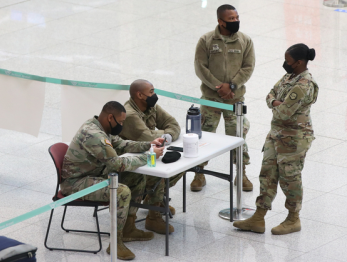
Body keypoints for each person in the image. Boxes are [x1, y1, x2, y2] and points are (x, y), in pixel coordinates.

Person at [61, 101, 165, 260]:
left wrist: (148, 144)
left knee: (137, 176)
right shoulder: (93, 134)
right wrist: (149, 156)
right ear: (110, 117)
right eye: (121, 122)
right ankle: (115, 243)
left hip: (94, 174)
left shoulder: (100, 127)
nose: (122, 125)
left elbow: (121, 144)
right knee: (120, 191)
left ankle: (129, 228)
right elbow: (118, 164)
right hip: (76, 183)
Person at [233, 44, 319, 235]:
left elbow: (285, 112)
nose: (285, 64)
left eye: (288, 61)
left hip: (295, 139)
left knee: (290, 179)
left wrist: (277, 103)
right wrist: (275, 101)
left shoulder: (304, 84)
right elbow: (270, 94)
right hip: (276, 135)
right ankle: (258, 217)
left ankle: (293, 219)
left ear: (299, 62)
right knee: (267, 175)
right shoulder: (289, 77)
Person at [192, 4, 255, 192]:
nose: (235, 21)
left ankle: (241, 173)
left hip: (235, 101)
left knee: (238, 135)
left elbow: (248, 67)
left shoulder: (245, 40)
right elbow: (200, 67)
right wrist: (218, 87)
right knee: (202, 135)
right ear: (220, 21)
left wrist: (232, 86)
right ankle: (199, 173)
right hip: (211, 99)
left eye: (236, 17)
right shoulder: (206, 40)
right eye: (231, 19)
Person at [119, 79, 184, 235]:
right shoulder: (130, 114)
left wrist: (166, 136)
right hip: (131, 163)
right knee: (159, 174)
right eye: (152, 92)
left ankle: (153, 198)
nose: (154, 95)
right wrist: (163, 136)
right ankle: (153, 218)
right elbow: (147, 137)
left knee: (180, 166)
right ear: (140, 95)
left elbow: (173, 124)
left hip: (150, 154)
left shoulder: (151, 106)